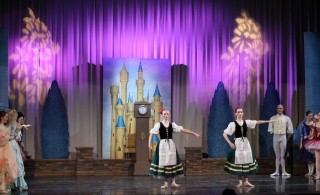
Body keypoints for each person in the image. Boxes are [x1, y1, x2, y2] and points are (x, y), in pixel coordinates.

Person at [148, 108, 200, 189]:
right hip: (162, 145)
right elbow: (151, 133)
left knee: (173, 162)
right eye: (164, 114)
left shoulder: (172, 125)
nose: (166, 115)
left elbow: (182, 130)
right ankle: (165, 183)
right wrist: (149, 144)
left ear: (168, 115)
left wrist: (194, 133)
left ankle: (173, 182)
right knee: (164, 163)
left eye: (167, 114)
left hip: (170, 145)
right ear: (162, 115)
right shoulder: (158, 124)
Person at [223, 107, 274, 187]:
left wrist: (269, 121)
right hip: (238, 144)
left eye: (241, 112)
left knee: (246, 160)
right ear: (235, 113)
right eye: (238, 112)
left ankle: (246, 180)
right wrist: (230, 143)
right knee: (239, 161)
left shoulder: (246, 122)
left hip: (246, 144)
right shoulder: (232, 124)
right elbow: (224, 134)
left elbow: (257, 122)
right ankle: (240, 181)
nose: (240, 113)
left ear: (243, 113)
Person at [7, 109, 30, 191]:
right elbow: (9, 135)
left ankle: (18, 184)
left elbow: (16, 131)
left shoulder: (14, 124)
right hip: (10, 145)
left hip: (14, 145)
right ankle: (11, 184)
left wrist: (23, 126)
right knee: (11, 164)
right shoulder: (9, 124)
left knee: (17, 164)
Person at [268, 104, 293, 176]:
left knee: (282, 155)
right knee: (277, 156)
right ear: (276, 109)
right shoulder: (273, 118)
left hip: (283, 137)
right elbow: (270, 128)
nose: (279, 109)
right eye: (278, 108)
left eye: (281, 108)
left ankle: (284, 171)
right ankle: (276, 171)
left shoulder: (287, 118)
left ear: (283, 109)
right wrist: (273, 131)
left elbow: (290, 129)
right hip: (275, 136)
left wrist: (285, 132)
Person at [0, 110, 17, 194]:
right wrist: (8, 138)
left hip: (7, 149)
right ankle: (1, 187)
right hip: (2, 149)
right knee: (2, 168)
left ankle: (3, 186)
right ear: (1, 117)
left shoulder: (5, 127)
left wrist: (9, 137)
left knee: (7, 168)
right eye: (6, 117)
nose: (7, 119)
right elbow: (1, 140)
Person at [304, 114, 320, 179]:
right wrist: (307, 137)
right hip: (317, 142)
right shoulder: (314, 124)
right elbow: (313, 134)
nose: (319, 116)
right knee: (318, 159)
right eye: (319, 115)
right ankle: (318, 173)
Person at [299, 111, 315, 177]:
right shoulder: (303, 124)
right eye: (310, 116)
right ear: (306, 116)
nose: (311, 117)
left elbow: (314, 133)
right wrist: (301, 143)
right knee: (307, 157)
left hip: (312, 141)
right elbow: (302, 134)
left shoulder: (313, 123)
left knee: (312, 156)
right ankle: (309, 171)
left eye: (312, 116)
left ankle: (312, 171)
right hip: (305, 141)